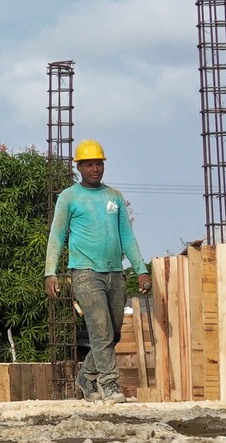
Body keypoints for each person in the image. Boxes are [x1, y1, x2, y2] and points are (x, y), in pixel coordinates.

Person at [43, 139, 150, 402]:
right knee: (100, 330)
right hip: (86, 273)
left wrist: (141, 269)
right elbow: (56, 236)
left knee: (112, 333)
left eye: (98, 164)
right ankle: (110, 385)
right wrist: (50, 272)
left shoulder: (114, 197)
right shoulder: (69, 197)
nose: (95, 169)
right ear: (78, 167)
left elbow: (127, 235)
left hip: (116, 272)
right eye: (89, 164)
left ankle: (85, 377)